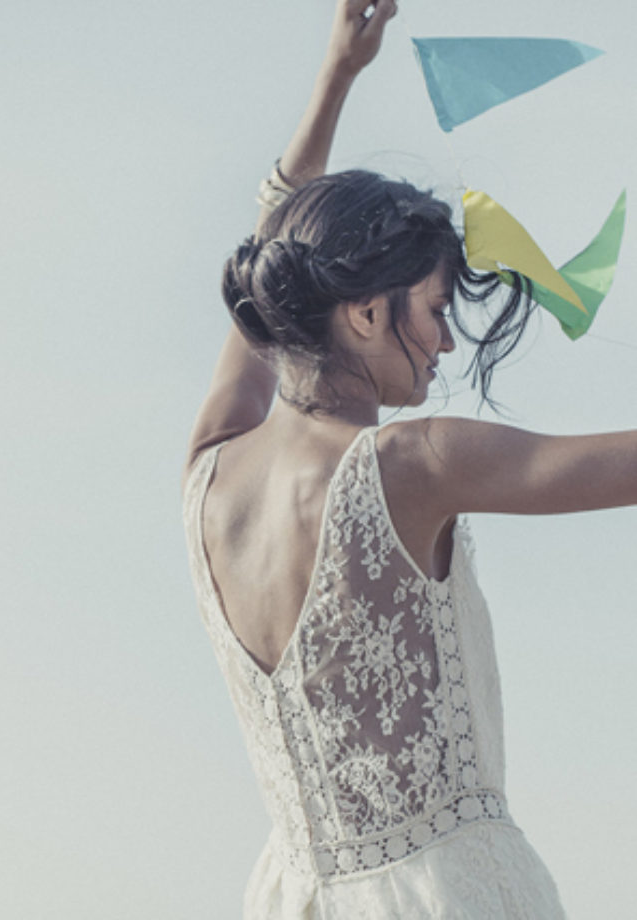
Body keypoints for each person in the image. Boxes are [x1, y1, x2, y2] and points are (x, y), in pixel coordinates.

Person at [182, 2, 634, 916]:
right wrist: (337, 78)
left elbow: (270, 248)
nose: (447, 343)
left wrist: (335, 77)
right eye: (434, 310)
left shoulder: (209, 472)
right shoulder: (413, 465)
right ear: (364, 312)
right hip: (448, 895)